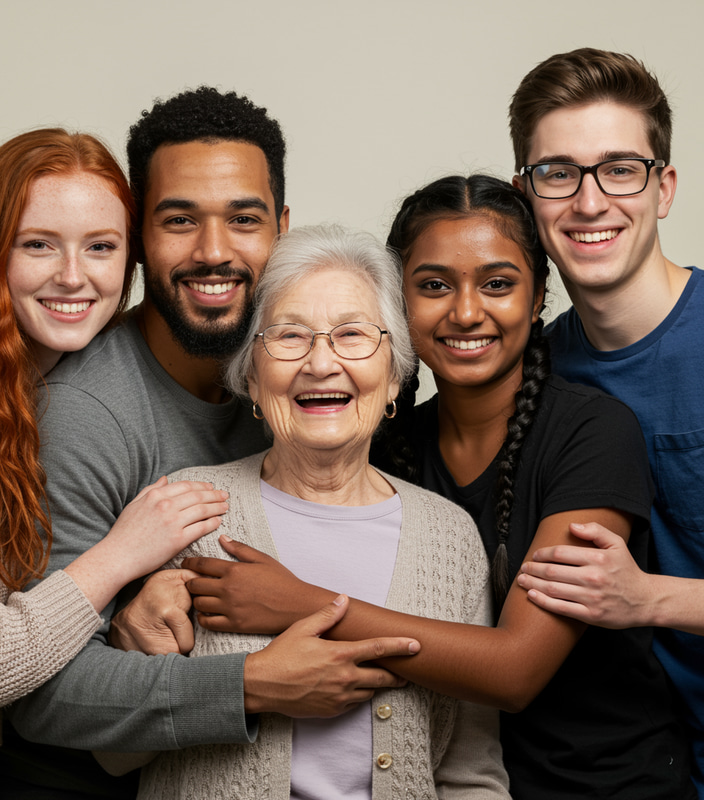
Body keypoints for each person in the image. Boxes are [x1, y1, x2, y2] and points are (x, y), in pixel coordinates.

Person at [140, 176, 694, 798]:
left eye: (497, 283)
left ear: (539, 295)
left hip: (608, 780)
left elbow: (507, 680)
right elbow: (114, 730)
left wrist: (301, 602)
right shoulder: (387, 451)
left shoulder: (582, 435)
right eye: (433, 285)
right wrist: (132, 619)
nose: (464, 311)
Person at [0, 89, 418, 800]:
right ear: (140, 237)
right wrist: (251, 686)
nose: (213, 252)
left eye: (243, 220)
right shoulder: (88, 413)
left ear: (281, 227)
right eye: (179, 220)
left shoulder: (304, 384)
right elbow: (43, 695)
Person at [109, 223, 509, 799]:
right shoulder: (186, 511)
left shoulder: (450, 537)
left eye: (351, 335)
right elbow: (114, 758)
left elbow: (471, 773)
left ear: (395, 373)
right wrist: (132, 643)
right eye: (290, 336)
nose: (321, 364)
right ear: (250, 373)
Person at [0, 129, 232, 800]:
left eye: (101, 247)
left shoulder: (35, 394)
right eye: (38, 244)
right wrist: (120, 556)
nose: (74, 275)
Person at [506, 48, 704, 795]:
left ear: (664, 188)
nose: (589, 202)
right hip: (639, 767)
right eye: (558, 173)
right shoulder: (534, 376)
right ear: (527, 193)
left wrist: (650, 598)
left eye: (620, 169)